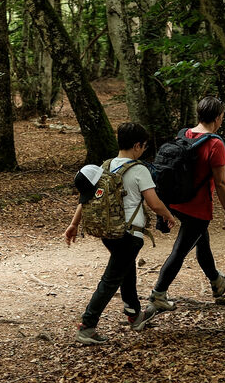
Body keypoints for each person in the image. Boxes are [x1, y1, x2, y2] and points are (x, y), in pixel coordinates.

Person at [64, 122, 177, 345]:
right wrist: (168, 215)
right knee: (111, 279)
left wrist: (74, 224)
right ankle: (87, 326)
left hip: (108, 232)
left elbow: (86, 198)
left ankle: (134, 314)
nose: (143, 150)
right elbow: (153, 203)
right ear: (137, 146)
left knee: (126, 269)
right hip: (129, 235)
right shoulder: (140, 170)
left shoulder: (105, 166)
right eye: (143, 146)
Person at [135, 96, 225, 328]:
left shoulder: (186, 134)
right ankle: (158, 295)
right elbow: (221, 182)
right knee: (180, 251)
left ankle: (217, 281)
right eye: (222, 116)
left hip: (176, 202)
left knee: (202, 241)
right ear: (218, 117)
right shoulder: (216, 144)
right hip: (197, 207)